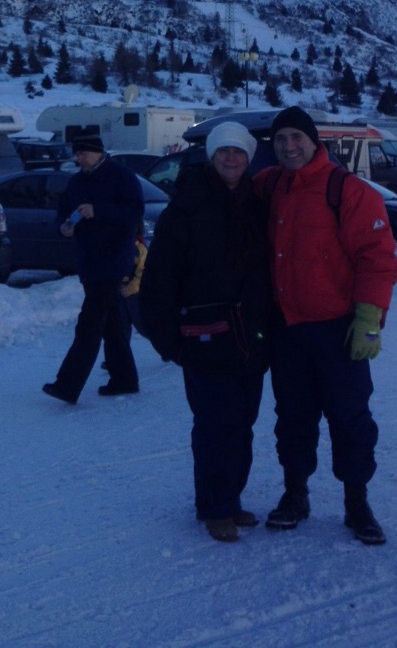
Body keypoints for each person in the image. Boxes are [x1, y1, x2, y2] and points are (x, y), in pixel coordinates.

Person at [254, 106, 397, 545]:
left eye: (297, 138)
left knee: (350, 417)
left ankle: (357, 503)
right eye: (281, 139)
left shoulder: (347, 190)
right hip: (287, 330)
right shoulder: (269, 186)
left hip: (338, 329)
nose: (289, 147)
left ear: (313, 141)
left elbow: (377, 258)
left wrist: (369, 318)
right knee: (292, 417)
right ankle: (295, 494)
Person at [139, 122, 272, 543]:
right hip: (204, 338)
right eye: (223, 151)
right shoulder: (187, 207)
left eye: (238, 152)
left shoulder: (257, 204)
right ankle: (214, 506)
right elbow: (158, 280)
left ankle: (229, 498)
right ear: (211, 157)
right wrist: (171, 343)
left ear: (248, 158)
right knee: (215, 424)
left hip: (250, 336)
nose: (231, 158)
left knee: (244, 422)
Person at [42, 135, 144, 405]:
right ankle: (124, 379)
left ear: (99, 153)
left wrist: (98, 210)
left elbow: (134, 212)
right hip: (89, 262)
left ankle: (67, 385)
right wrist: (64, 227)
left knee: (88, 324)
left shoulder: (121, 177)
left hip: (113, 261)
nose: (78, 159)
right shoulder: (76, 182)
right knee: (112, 323)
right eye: (76, 155)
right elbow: (63, 212)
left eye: (83, 154)